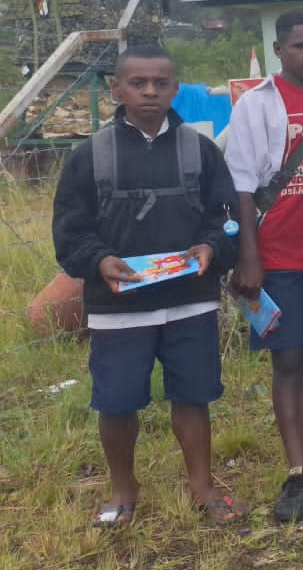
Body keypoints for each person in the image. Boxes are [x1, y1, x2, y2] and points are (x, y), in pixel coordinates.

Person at [52, 43, 245, 527]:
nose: (150, 91)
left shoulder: (199, 149)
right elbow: (70, 233)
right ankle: (124, 489)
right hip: (119, 307)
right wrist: (100, 261)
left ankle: (202, 488)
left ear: (176, 88)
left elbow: (225, 217)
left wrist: (211, 249)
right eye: (138, 83)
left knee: (194, 394)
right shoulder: (89, 156)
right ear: (116, 89)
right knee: (116, 400)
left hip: (189, 302)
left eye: (161, 83)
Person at [226, 9, 303, 523]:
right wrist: (248, 257)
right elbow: (240, 184)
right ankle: (297, 470)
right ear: (279, 50)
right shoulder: (255, 107)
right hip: (277, 257)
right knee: (290, 359)